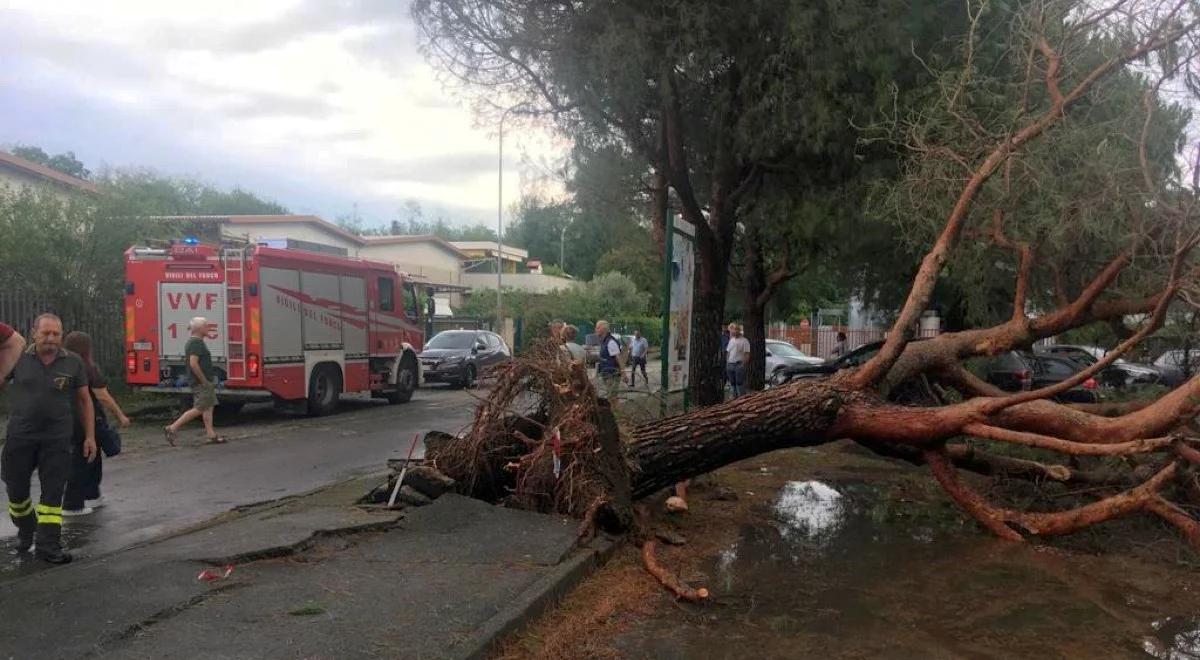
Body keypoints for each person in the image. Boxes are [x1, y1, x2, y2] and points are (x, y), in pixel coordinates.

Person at [2, 313, 95, 563]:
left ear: (61, 336)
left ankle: (48, 546)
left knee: (53, 495)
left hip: (57, 438)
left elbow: (85, 401)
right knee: (16, 490)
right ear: (34, 333)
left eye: (55, 334)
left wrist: (90, 437)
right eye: (45, 333)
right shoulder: (18, 357)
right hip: (20, 436)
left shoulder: (73, 362)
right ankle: (26, 528)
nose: (50, 338)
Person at [62, 331, 131, 516]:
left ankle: (91, 495)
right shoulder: (86, 367)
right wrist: (120, 415)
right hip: (86, 420)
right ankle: (72, 504)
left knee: (90, 457)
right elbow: (102, 396)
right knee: (82, 459)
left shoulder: (62, 365)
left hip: (68, 418)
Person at [164, 317, 225, 445]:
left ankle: (211, 434)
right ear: (200, 329)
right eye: (207, 326)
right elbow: (193, 363)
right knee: (200, 407)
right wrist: (204, 381)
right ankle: (172, 428)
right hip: (201, 382)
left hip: (203, 381)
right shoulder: (195, 343)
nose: (209, 328)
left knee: (208, 406)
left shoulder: (197, 342)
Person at [594, 320, 622, 400]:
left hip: (612, 374)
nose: (596, 329)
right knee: (611, 398)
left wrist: (623, 373)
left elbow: (618, 357)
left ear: (603, 329)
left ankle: (617, 412)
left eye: (597, 327)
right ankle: (615, 411)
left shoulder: (610, 341)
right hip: (606, 373)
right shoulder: (604, 341)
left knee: (612, 398)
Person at [725, 323, 751, 398]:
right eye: (732, 330)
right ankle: (734, 400)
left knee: (739, 384)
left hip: (738, 364)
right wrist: (727, 362)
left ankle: (741, 400)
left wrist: (743, 364)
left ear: (739, 330)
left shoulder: (744, 341)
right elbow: (728, 352)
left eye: (736, 329)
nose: (734, 331)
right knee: (732, 384)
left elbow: (747, 354)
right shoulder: (731, 340)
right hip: (730, 364)